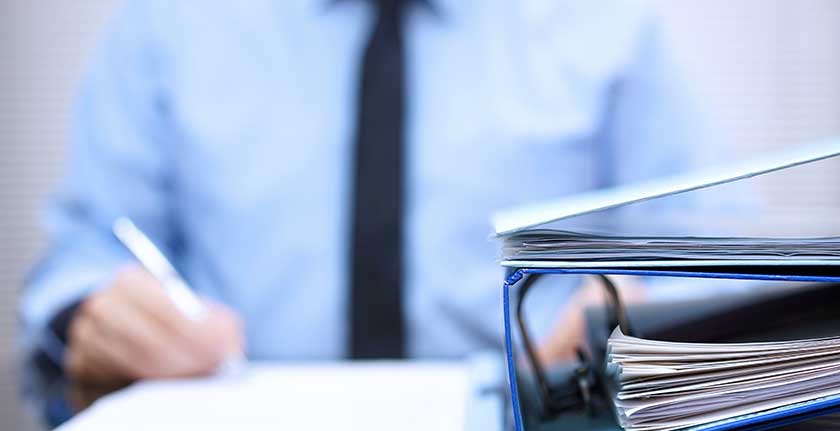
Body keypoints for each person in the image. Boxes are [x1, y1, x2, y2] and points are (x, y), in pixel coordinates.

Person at [20, 0, 711, 385]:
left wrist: (642, 301)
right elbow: (84, 249)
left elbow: (711, 246)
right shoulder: (164, 24)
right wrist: (94, 312)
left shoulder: (614, 24)